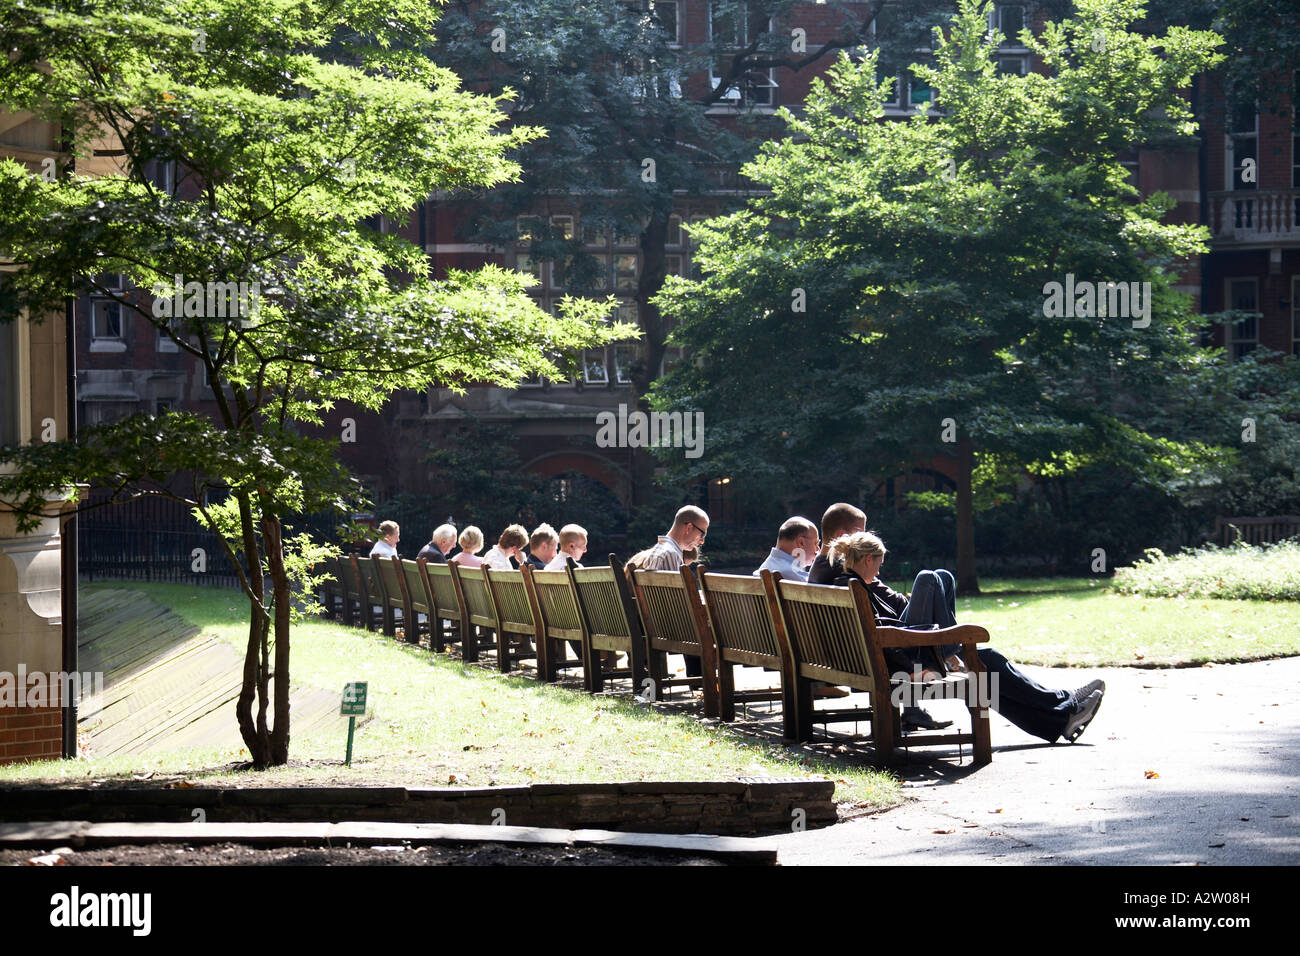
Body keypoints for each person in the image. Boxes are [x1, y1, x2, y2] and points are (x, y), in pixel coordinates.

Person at [829, 531, 1105, 744]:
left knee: (944, 580)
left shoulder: (863, 585)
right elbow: (878, 637)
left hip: (900, 654)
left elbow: (900, 607)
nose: (880, 570)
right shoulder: (856, 589)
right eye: (879, 564)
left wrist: (929, 600)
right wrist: (910, 671)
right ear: (868, 559)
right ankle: (1064, 704)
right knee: (928, 578)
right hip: (908, 665)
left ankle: (1059, 718)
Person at [633, 505, 709, 677]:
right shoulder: (671, 554)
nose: (702, 540)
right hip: (668, 628)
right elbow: (677, 604)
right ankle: (702, 681)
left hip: (652, 624)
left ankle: (698, 681)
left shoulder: (658, 551)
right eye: (702, 533)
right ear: (688, 527)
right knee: (710, 623)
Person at [808, 502, 866, 585]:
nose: (863, 540)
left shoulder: (817, 567)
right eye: (859, 535)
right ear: (841, 536)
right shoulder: (847, 570)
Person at [754, 516, 819, 582]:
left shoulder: (766, 567)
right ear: (801, 543)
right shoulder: (791, 573)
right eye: (816, 543)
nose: (818, 550)